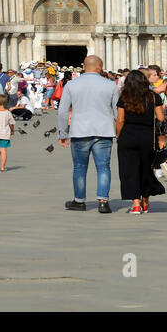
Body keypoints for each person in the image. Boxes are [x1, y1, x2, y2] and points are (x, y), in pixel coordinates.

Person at [57, 54, 121, 213]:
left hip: (79, 131)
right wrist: (119, 131)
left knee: (79, 167)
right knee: (104, 167)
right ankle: (103, 201)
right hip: (104, 132)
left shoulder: (71, 85)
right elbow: (117, 112)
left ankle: (79, 201)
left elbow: (63, 112)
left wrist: (62, 133)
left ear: (84, 67)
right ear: (99, 67)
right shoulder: (111, 85)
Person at [115, 69, 165, 213]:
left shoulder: (124, 97)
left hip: (128, 136)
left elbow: (120, 120)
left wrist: (118, 135)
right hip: (147, 136)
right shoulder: (154, 97)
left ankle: (135, 204)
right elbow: (161, 118)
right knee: (145, 168)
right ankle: (145, 201)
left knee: (129, 169)